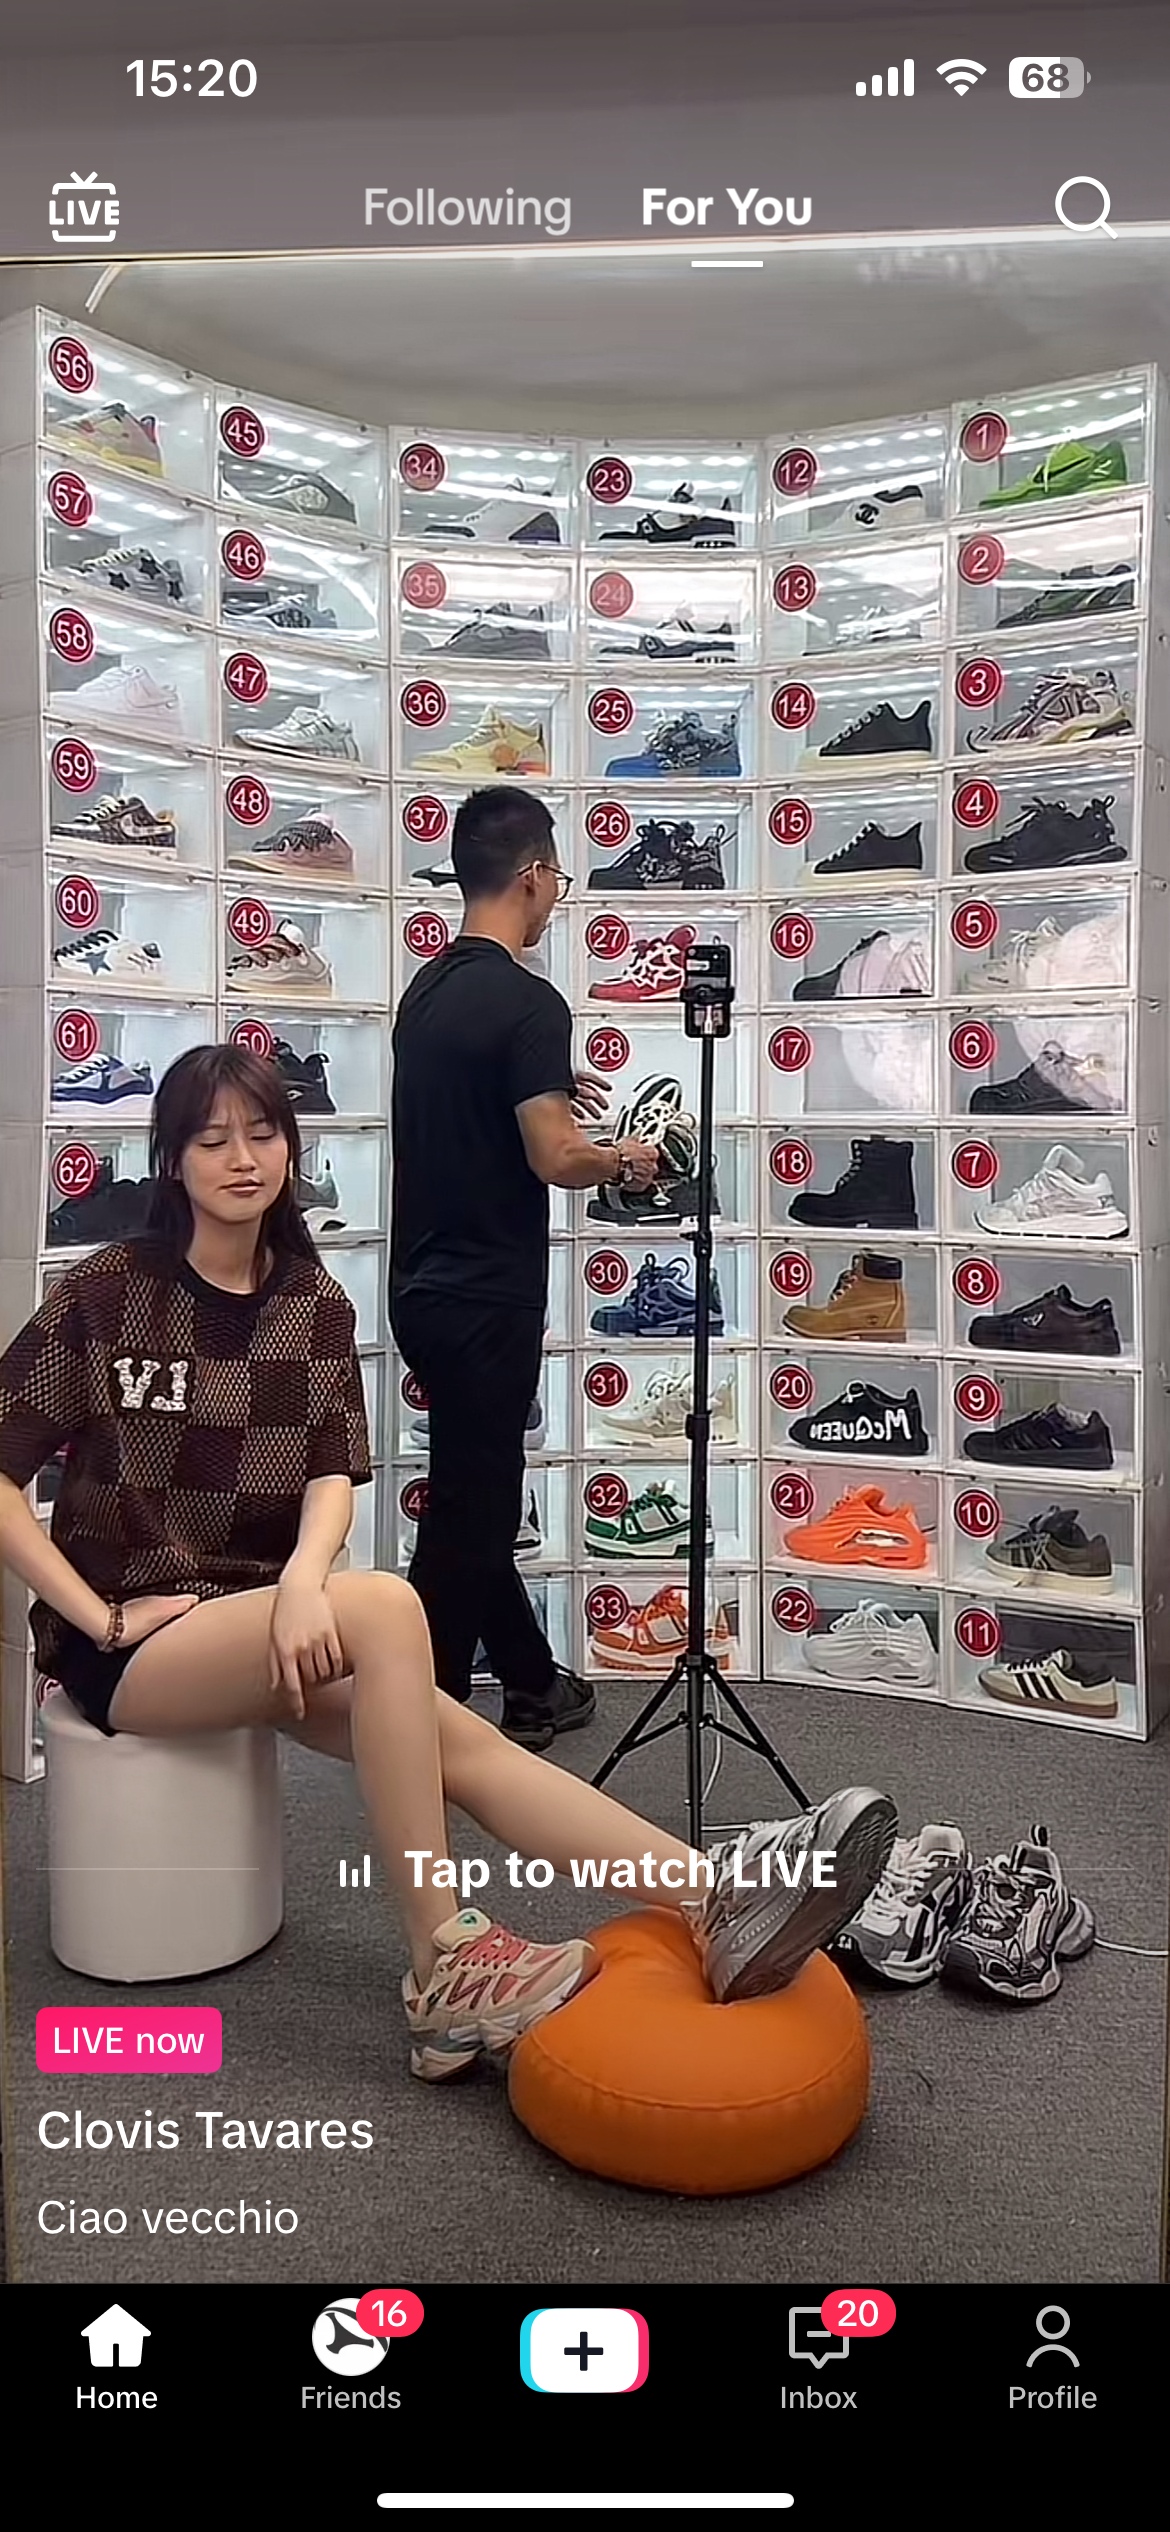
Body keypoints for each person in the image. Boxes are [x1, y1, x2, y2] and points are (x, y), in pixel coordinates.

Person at [0, 1042, 895, 2078]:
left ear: (291, 1147)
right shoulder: (111, 1289)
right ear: (171, 1159)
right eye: (211, 1141)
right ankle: (443, 1965)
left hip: (256, 1620)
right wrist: (101, 1618)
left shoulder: (313, 1301)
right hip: (132, 1638)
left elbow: (330, 1475)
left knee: (459, 1740)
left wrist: (301, 1582)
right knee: (387, 1609)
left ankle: (715, 1898)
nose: (242, 1159)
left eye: (262, 1134)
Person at [389, 785, 660, 1750]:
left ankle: (536, 1683)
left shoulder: (424, 994)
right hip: (488, 1295)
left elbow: (473, 1101)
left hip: (420, 1289)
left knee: (468, 1492)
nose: (556, 899)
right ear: (536, 876)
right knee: (477, 1508)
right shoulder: (530, 1001)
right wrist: (622, 1157)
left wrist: (542, 1084)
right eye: (559, 881)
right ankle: (421, 1715)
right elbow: (555, 1157)